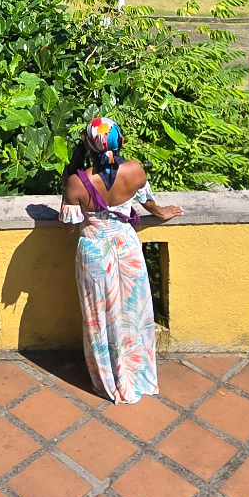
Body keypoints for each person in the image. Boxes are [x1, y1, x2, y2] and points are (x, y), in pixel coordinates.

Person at [61, 117, 183, 404]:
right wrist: (162, 212)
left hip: (94, 251)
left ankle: (108, 379)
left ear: (88, 146)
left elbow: (68, 227)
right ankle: (137, 373)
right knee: (133, 313)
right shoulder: (135, 170)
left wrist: (67, 179)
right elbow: (149, 203)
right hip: (127, 246)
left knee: (101, 314)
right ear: (122, 142)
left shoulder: (77, 183)